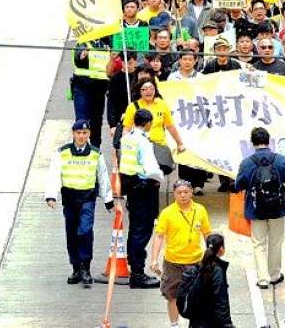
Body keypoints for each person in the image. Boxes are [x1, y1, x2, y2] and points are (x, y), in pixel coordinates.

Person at [45, 120, 114, 288]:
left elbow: (103, 176)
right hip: (69, 199)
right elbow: (54, 173)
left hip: (87, 199)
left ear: (89, 134)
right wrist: (51, 196)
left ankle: (85, 267)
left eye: (84, 133)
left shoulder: (96, 153)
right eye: (78, 133)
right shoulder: (63, 152)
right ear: (73, 134)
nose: (81, 136)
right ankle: (76, 268)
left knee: (85, 231)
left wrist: (108, 199)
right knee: (72, 234)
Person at [235, 127, 285, 289]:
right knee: (276, 242)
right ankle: (274, 275)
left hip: (256, 208)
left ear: (252, 142)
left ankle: (262, 279)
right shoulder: (280, 160)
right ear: (268, 141)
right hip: (277, 208)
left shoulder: (247, 163)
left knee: (259, 243)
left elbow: (238, 185)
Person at [150, 180, 212, 328]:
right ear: (174, 194)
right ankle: (174, 324)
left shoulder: (200, 210)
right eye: (179, 193)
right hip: (173, 263)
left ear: (191, 193)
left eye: (186, 192)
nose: (183, 195)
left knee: (197, 296)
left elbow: (207, 233)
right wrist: (154, 259)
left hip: (195, 261)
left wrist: (211, 255)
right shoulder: (167, 213)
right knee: (172, 296)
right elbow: (159, 236)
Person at [120, 109, 164, 289]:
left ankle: (135, 269)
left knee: (135, 230)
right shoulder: (143, 142)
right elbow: (151, 168)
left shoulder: (126, 139)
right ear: (148, 123)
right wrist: (160, 177)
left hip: (132, 189)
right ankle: (138, 274)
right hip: (144, 189)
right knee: (142, 231)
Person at [122, 78, 185, 176]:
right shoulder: (132, 107)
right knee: (141, 172)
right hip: (139, 146)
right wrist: (126, 144)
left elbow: (170, 126)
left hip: (159, 146)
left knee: (160, 171)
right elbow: (127, 128)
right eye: (145, 89)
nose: (149, 91)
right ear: (139, 91)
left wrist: (179, 143)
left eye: (151, 88)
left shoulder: (162, 104)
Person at [185, 233, 235, 328]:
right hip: (212, 322)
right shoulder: (218, 270)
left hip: (196, 321)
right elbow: (220, 300)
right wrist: (227, 323)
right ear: (221, 249)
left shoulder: (199, 266)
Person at [71, 39, 110, 148]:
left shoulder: (105, 46)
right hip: (82, 85)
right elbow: (78, 59)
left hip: (99, 87)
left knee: (96, 121)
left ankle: (95, 148)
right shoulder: (83, 43)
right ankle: (78, 149)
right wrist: (82, 55)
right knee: (81, 121)